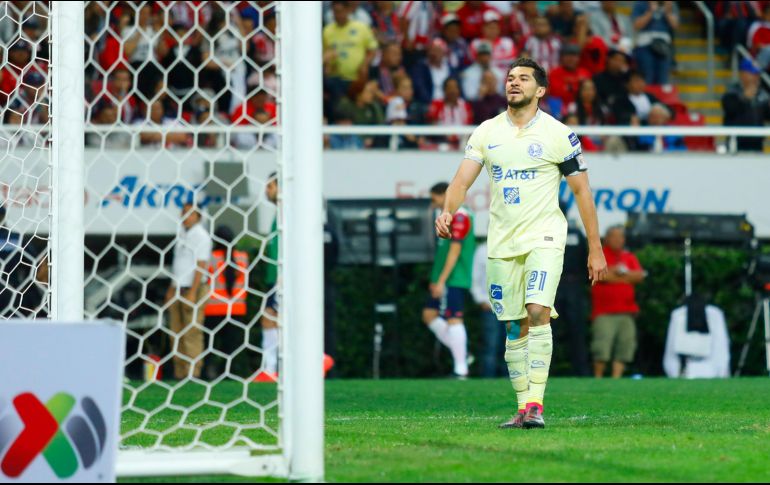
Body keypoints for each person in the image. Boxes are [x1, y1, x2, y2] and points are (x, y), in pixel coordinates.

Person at [435, 58, 607, 429]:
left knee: (537, 310)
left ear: (540, 90)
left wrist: (595, 248)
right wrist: (448, 210)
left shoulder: (559, 134)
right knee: (514, 325)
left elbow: (582, 192)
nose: (514, 83)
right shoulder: (486, 132)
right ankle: (521, 407)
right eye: (511, 78)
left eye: (523, 78)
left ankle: (536, 405)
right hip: (502, 241)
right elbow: (461, 182)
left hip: (545, 236)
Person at [423, 182, 476, 379]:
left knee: (454, 318)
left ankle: (461, 368)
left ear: (444, 195)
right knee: (429, 314)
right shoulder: (448, 216)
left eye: (434, 199)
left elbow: (455, 251)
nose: (433, 204)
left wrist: (442, 281)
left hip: (454, 277)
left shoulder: (461, 216)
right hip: (445, 278)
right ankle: (462, 352)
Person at [165, 202, 213, 380]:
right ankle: (179, 372)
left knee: (192, 331)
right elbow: (179, 265)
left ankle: (193, 372)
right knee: (175, 332)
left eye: (190, 213)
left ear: (198, 217)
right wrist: (171, 288)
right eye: (183, 212)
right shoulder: (181, 235)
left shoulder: (202, 236)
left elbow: (201, 265)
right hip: (178, 288)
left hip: (194, 288)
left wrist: (193, 291)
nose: (186, 216)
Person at [590, 225, 645, 379]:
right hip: (604, 312)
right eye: (614, 236)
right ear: (607, 238)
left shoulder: (629, 256)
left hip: (627, 311)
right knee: (601, 347)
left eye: (620, 236)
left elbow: (639, 276)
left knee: (625, 346)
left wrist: (615, 275)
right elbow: (599, 275)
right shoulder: (599, 255)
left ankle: (616, 378)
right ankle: (598, 378)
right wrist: (624, 276)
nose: (618, 240)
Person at [203, 225, 249, 380]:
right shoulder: (243, 257)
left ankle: (205, 374)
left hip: (214, 308)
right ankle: (228, 374)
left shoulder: (211, 257)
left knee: (209, 346)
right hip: (236, 308)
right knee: (230, 347)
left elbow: (205, 279)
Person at [553, 201, 591, 376]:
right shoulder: (543, 231)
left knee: (576, 329)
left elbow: (585, 258)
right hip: (555, 284)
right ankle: (545, 371)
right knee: (547, 330)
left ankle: (581, 371)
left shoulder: (575, 233)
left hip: (570, 285)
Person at [473, 240, 520, 377]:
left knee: (512, 346)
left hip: (511, 306)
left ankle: (511, 380)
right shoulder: (482, 250)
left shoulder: (515, 247)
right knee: (490, 345)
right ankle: (488, 380)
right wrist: (481, 300)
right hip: (490, 306)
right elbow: (475, 278)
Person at [663, 294, 731, 379]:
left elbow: (670, 347)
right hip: (705, 369)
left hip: (695, 368)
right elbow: (722, 345)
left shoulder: (678, 314)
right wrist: (722, 372)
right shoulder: (714, 314)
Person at [721, 59, 770, 152]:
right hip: (736, 144)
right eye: (753, 74)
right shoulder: (732, 92)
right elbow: (730, 108)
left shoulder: (762, 94)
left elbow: (766, 116)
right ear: (743, 74)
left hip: (757, 144)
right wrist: (744, 98)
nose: (756, 77)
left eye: (757, 74)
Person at [258, 173, 280, 381]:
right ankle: (270, 368)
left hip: (282, 278)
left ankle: (270, 368)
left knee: (269, 317)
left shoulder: (287, 213)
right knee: (273, 318)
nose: (267, 190)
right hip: (275, 278)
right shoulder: (279, 213)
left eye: (270, 186)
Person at [631, 1, 679, 86]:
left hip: (663, 46)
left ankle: (659, 95)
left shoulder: (670, 4)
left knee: (663, 79)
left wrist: (668, 12)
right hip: (645, 45)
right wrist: (650, 11)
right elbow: (636, 25)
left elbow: (675, 25)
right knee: (647, 77)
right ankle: (647, 94)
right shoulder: (640, 3)